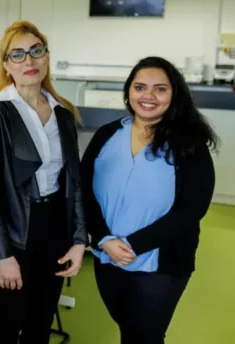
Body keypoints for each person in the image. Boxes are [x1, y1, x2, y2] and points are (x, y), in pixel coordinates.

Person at [81, 57, 217, 343]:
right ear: (129, 91)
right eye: (140, 87)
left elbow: (192, 210)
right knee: (129, 331)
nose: (148, 96)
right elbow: (83, 189)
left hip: (160, 263)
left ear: (174, 95)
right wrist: (104, 239)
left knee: (146, 336)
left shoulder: (189, 143)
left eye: (160, 89)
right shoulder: (108, 134)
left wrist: (131, 245)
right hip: (108, 256)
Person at [0, 20, 88, 344]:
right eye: (18, 54)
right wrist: (3, 255)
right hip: (11, 231)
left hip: (52, 227)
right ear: (7, 66)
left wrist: (79, 240)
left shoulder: (63, 113)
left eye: (36, 51)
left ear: (47, 57)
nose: (29, 61)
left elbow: (73, 182)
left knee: (40, 323)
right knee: (9, 323)